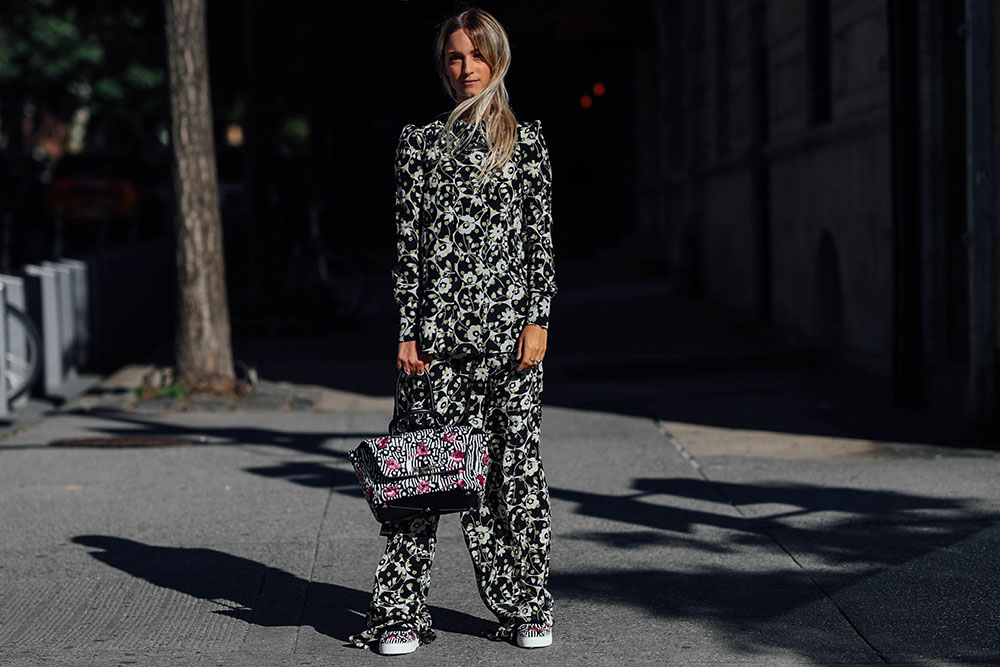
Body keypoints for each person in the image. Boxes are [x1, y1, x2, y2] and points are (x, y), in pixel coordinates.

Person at [349, 7, 558, 656]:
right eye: (452, 57)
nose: (464, 69)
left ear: (497, 58)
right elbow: (408, 248)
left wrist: (538, 318)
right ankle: (401, 614)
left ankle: (527, 605)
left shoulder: (525, 142)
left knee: (514, 476)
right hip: (436, 346)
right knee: (418, 477)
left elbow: (538, 240)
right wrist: (408, 333)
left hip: (509, 344)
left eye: (474, 55)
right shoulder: (419, 145)